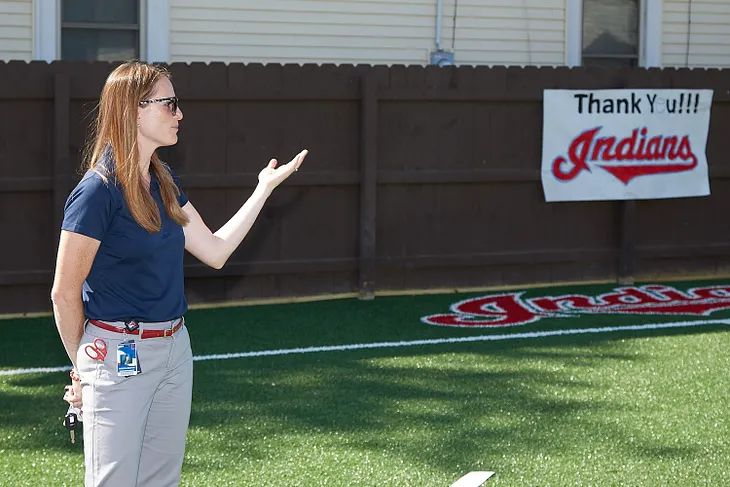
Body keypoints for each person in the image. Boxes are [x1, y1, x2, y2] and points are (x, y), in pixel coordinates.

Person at [51, 60, 307, 487]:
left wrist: (264, 187)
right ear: (134, 109)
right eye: (169, 104)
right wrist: (85, 367)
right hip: (117, 357)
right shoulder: (96, 193)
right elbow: (64, 292)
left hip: (174, 352)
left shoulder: (162, 180)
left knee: (161, 481)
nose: (179, 113)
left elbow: (216, 250)